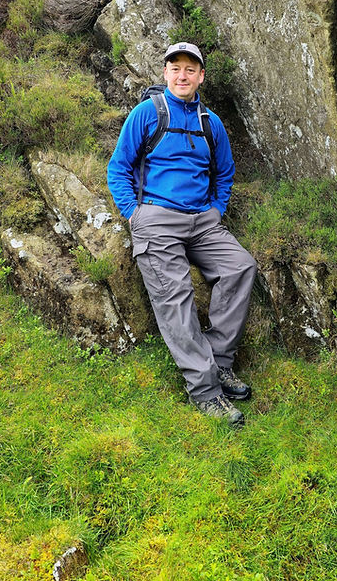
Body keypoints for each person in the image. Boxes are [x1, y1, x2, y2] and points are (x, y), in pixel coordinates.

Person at [107, 42, 258, 427]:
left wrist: (216, 209)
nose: (182, 75)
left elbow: (224, 172)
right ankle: (206, 392)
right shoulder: (147, 113)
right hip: (156, 218)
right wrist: (135, 215)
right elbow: (118, 168)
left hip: (203, 221)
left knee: (240, 266)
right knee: (176, 298)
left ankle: (219, 364)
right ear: (165, 74)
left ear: (201, 76)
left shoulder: (212, 123)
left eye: (190, 69)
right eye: (175, 68)